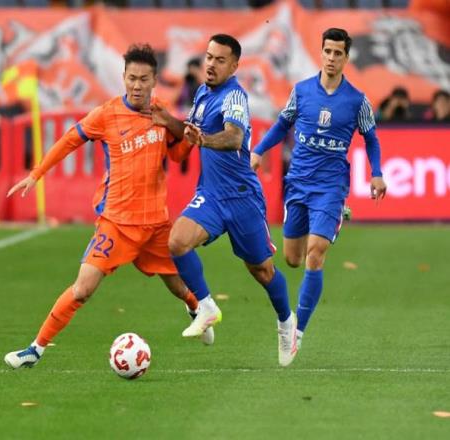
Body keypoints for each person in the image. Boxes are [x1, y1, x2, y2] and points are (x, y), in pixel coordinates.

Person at [4, 44, 213, 369]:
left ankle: (196, 308)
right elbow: (69, 140)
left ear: (154, 80)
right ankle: (35, 349)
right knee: (82, 289)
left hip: (156, 224)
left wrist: (180, 130)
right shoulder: (106, 114)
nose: (137, 85)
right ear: (124, 77)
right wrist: (36, 174)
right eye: (132, 78)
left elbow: (177, 154)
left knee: (177, 285)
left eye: (144, 79)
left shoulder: (160, 112)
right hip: (116, 223)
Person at [152, 34, 298, 367]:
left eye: (220, 60)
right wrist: (167, 120)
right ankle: (206, 306)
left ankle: (286, 320)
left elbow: (234, 137)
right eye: (209, 57)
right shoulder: (203, 94)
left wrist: (203, 139)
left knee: (261, 270)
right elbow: (191, 132)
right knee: (176, 242)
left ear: (234, 66)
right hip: (211, 195)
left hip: (242, 198)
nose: (211, 64)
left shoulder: (234, 96)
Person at [251, 28, 387, 350]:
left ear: (346, 58)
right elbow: (282, 125)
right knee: (293, 259)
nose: (331, 58)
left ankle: (297, 331)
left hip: (330, 187)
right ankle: (331, 220)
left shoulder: (357, 101)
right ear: (321, 52)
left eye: (338, 53)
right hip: (298, 183)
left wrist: (377, 173)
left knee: (315, 253)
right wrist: (258, 151)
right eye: (327, 51)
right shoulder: (301, 92)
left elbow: (371, 138)